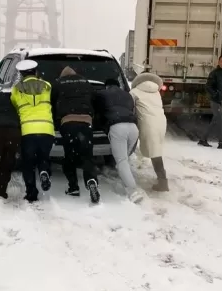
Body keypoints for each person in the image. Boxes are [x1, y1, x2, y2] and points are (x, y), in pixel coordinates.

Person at [51, 66, 100, 203]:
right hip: (86, 122)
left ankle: (73, 187)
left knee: (69, 156)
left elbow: (52, 103)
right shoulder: (85, 82)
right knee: (87, 155)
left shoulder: (58, 83)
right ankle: (91, 181)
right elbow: (95, 100)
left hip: (68, 122)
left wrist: (56, 119)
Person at [10, 59, 55, 203]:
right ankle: (44, 171)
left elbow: (15, 107)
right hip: (46, 129)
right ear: (36, 72)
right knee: (44, 157)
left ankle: (31, 193)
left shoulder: (16, 89)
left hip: (27, 131)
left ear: (21, 74)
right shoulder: (47, 86)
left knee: (28, 163)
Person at [94, 78, 143, 203]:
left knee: (121, 161)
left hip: (117, 127)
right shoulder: (127, 95)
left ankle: (133, 192)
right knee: (124, 158)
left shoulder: (102, 94)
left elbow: (97, 111)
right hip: (133, 127)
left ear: (107, 86)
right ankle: (122, 176)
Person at [130, 72, 169, 192]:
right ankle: (162, 179)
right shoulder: (156, 91)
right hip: (161, 122)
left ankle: (163, 182)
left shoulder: (134, 92)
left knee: (154, 151)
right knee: (155, 149)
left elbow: (131, 109)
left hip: (148, 123)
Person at [198, 55, 222, 149]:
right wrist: (215, 94)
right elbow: (208, 86)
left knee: (215, 120)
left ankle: (203, 139)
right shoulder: (214, 73)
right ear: (218, 62)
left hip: (221, 101)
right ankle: (221, 142)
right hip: (215, 101)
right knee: (220, 120)